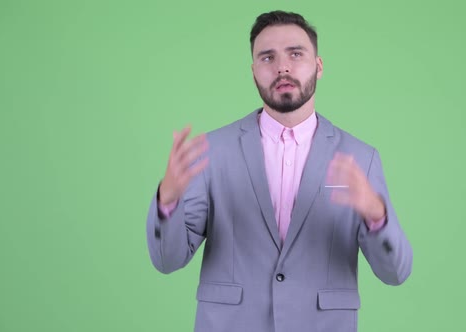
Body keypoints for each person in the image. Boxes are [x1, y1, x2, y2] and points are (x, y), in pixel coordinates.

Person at [146, 10, 413, 332]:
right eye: (267, 57)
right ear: (254, 71)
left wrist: (377, 217)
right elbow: (167, 261)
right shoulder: (211, 152)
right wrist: (167, 204)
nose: (282, 67)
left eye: (295, 54)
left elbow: (395, 273)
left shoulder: (360, 157)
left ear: (319, 65)